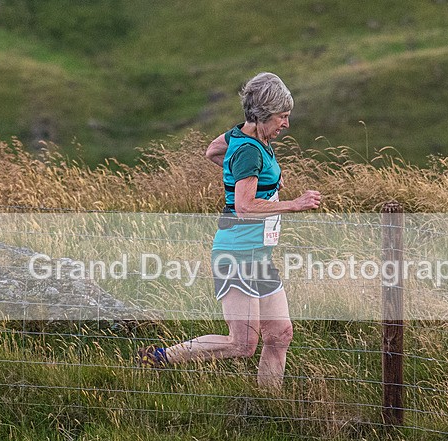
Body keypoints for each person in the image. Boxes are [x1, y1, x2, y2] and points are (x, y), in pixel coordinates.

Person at [138, 72, 321, 390]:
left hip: (259, 255)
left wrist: (244, 175)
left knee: (280, 334)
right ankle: (160, 357)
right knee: (242, 344)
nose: (286, 124)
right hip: (237, 254)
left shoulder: (241, 136)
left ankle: (270, 406)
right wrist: (294, 204)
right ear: (264, 115)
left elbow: (212, 151)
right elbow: (245, 207)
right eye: (283, 117)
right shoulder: (249, 150)